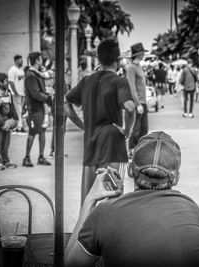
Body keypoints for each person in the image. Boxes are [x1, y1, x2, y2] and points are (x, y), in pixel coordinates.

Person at [65, 131, 199, 267]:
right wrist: (118, 200)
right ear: (176, 178)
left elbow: (70, 264)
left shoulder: (104, 214)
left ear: (131, 171)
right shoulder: (192, 208)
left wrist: (91, 199)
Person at [65, 39, 136, 205]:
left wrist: (83, 125)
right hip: (112, 147)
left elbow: (65, 105)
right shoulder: (119, 82)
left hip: (91, 148)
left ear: (99, 58)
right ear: (117, 60)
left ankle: (86, 230)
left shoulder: (86, 81)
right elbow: (130, 107)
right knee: (112, 201)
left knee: (89, 201)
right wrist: (128, 131)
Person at [22, 52, 53, 167]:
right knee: (32, 132)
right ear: (37, 60)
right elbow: (35, 94)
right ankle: (26, 157)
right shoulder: (30, 75)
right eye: (40, 59)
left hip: (40, 107)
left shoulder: (37, 73)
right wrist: (48, 98)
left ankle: (41, 157)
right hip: (34, 108)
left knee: (42, 131)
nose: (42, 61)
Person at [0, 73, 18, 170]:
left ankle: (6, 161)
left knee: (6, 142)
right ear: (0, 83)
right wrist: (2, 123)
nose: (7, 82)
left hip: (7, 120)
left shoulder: (8, 92)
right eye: (6, 81)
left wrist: (15, 117)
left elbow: (11, 105)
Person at [126, 42, 149, 156]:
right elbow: (131, 86)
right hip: (138, 102)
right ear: (138, 54)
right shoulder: (131, 68)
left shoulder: (139, 66)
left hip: (143, 101)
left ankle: (140, 149)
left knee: (144, 129)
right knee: (136, 129)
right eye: (142, 53)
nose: (144, 55)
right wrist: (137, 103)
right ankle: (131, 150)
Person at [8, 55, 26, 134]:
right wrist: (15, 92)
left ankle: (19, 126)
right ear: (15, 60)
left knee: (20, 110)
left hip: (22, 93)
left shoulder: (21, 70)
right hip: (15, 93)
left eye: (22, 60)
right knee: (18, 110)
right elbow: (11, 82)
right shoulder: (12, 70)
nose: (22, 61)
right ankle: (19, 127)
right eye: (20, 60)